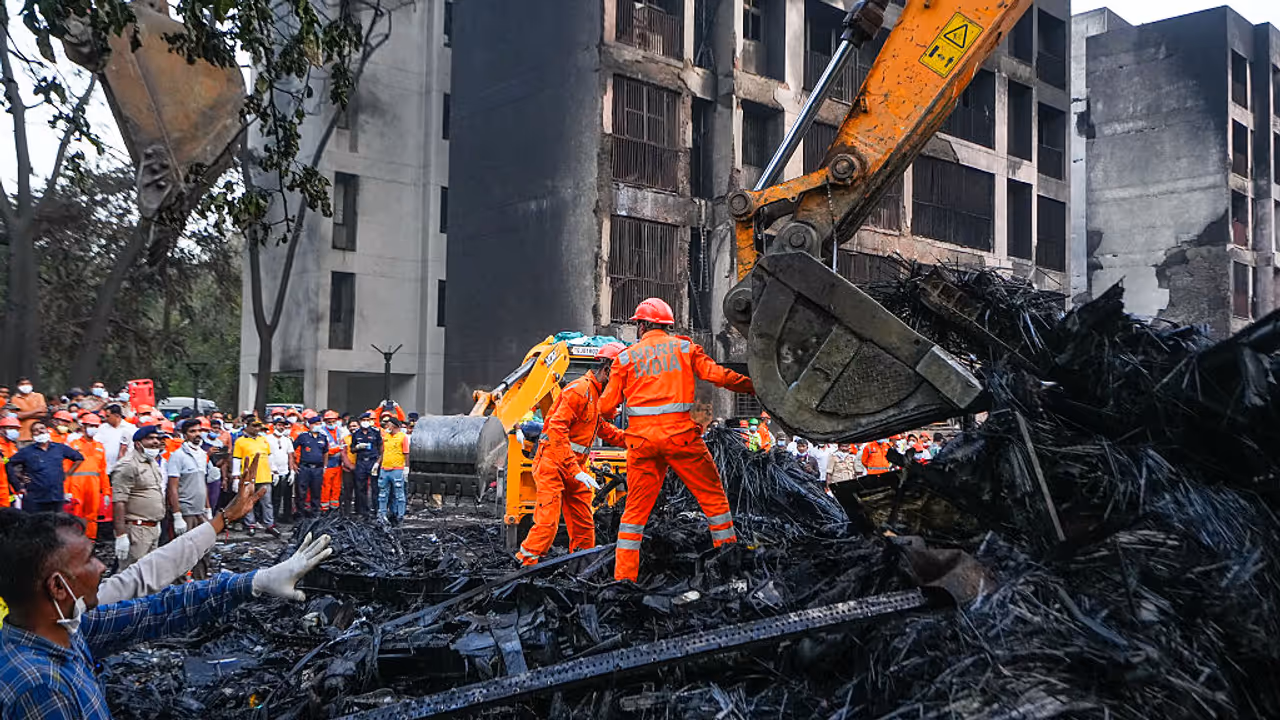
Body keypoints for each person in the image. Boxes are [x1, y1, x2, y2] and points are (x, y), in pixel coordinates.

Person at [0, 508, 332, 719]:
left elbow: (158, 610)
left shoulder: (71, 629)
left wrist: (254, 582)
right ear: (58, 588)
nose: (101, 566)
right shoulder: (40, 687)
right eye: (89, 559)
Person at [599, 297, 756, 582]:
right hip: (680, 440)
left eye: (638, 324)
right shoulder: (685, 348)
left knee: (633, 515)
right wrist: (754, 387)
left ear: (643, 325)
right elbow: (718, 376)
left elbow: (607, 408)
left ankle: (623, 579)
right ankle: (728, 568)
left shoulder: (625, 358)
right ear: (666, 325)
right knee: (713, 501)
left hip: (642, 444)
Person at [516, 342, 628, 566]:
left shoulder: (595, 396)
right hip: (552, 463)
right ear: (607, 372)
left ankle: (582, 567)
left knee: (584, 523)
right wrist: (574, 469)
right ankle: (524, 565)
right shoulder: (579, 390)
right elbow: (557, 429)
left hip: (573, 467)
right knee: (547, 522)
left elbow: (601, 428)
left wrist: (635, 439)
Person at [111, 426, 168, 568]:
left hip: (152, 528)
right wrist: (121, 535)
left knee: (148, 574)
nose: (155, 442)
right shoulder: (128, 465)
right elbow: (119, 501)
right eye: (150, 438)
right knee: (132, 575)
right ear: (138, 443)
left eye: (157, 438)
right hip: (136, 529)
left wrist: (156, 522)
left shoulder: (152, 462)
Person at [166, 419, 213, 579]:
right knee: (184, 552)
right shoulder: (177, 456)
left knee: (204, 549)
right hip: (186, 511)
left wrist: (208, 508)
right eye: (193, 431)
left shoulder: (202, 455)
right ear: (184, 435)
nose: (197, 434)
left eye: (199, 431)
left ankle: (200, 584)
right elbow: (172, 487)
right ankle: (180, 586)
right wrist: (177, 515)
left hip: (200, 511)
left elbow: (202, 483)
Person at [7, 421, 84, 514]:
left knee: (55, 525)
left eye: (42, 428)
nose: (39, 431)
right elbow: (9, 464)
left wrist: (67, 474)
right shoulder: (26, 451)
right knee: (33, 525)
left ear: (47, 431)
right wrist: (18, 481)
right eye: (35, 430)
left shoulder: (59, 448)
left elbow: (79, 458)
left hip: (56, 497)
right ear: (32, 435)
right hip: (35, 498)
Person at [231, 416, 278, 537]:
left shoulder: (263, 439)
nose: (257, 429)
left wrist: (274, 470)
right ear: (247, 425)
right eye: (254, 426)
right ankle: (250, 524)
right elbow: (236, 459)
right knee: (248, 501)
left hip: (264, 474)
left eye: (259, 427)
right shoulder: (240, 441)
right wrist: (236, 477)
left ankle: (269, 524)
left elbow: (269, 456)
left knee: (267, 502)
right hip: (249, 476)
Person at [64, 414, 109, 540]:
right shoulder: (73, 445)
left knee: (92, 515)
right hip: (76, 484)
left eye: (95, 426)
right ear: (83, 427)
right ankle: (74, 541)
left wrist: (106, 492)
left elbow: (103, 470)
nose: (93, 428)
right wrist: (66, 490)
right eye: (90, 426)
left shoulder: (99, 447)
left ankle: (90, 542)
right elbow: (67, 468)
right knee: (76, 514)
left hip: (93, 485)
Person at [377, 414, 411, 525]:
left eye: (389, 424)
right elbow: (383, 452)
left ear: (395, 426)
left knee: (399, 494)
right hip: (385, 468)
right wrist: (377, 464)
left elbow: (406, 453)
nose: (387, 426)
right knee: (383, 493)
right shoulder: (385, 437)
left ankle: (400, 516)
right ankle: (382, 515)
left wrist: (406, 468)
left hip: (397, 469)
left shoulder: (403, 437)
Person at [293, 417, 329, 518]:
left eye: (319, 423)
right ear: (310, 425)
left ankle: (315, 514)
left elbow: (325, 452)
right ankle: (300, 514)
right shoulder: (303, 436)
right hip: (304, 468)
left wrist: (325, 466)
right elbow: (292, 449)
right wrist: (294, 464)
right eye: (315, 424)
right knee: (301, 492)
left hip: (318, 469)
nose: (317, 426)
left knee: (316, 491)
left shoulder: (323, 437)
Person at [349, 412, 382, 518]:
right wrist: (358, 447)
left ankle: (375, 510)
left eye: (368, 420)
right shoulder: (356, 434)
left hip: (372, 461)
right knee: (360, 487)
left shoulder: (375, 433)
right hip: (361, 462)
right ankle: (362, 511)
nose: (366, 422)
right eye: (364, 420)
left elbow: (381, 449)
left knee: (375, 487)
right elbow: (352, 449)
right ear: (360, 422)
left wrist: (378, 463)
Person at [266, 417, 297, 524]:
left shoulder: (287, 439)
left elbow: (290, 455)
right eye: (279, 425)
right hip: (273, 472)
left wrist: (292, 470)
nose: (282, 427)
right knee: (275, 497)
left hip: (285, 470)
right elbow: (267, 455)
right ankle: (273, 518)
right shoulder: (268, 439)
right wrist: (273, 470)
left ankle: (286, 516)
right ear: (274, 426)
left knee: (287, 497)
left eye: (284, 425)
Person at [96, 404, 136, 474]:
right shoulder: (103, 428)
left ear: (117, 416)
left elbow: (132, 448)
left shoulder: (130, 429)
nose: (106, 418)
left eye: (108, 416)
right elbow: (97, 443)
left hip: (123, 469)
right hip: (105, 468)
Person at [320, 410, 347, 513]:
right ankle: (324, 509)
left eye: (333, 421)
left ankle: (334, 508)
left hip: (338, 463)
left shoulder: (339, 431)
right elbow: (324, 450)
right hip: (328, 463)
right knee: (326, 487)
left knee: (336, 487)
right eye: (329, 422)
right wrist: (338, 449)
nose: (331, 424)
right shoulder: (322, 432)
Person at [0, 417, 18, 508]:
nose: (14, 431)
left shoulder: (14, 446)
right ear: (2, 429)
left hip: (11, 488)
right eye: (10, 428)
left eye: (16, 429)